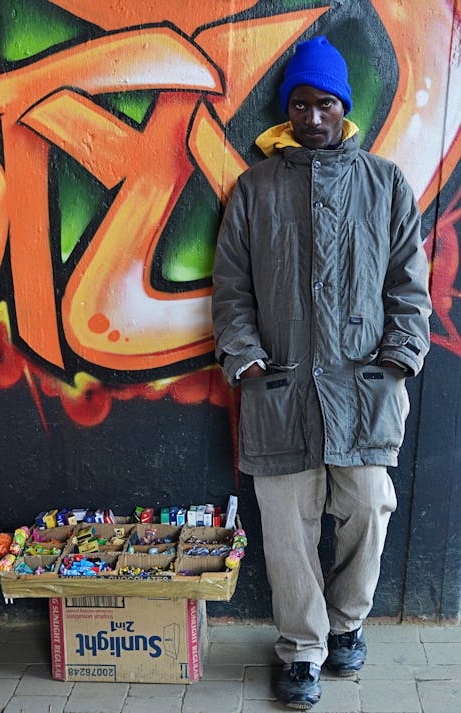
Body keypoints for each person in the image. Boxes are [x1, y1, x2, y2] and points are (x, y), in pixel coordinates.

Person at [212, 35, 431, 710]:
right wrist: (244, 355)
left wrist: (400, 353)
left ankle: (347, 624)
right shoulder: (254, 190)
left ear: (344, 109)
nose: (312, 116)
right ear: (288, 110)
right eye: (301, 103)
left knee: (371, 505)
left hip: (365, 390)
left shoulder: (383, 183)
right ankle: (301, 650)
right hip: (278, 390)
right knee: (286, 526)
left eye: (325, 103)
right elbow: (231, 287)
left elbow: (408, 282)